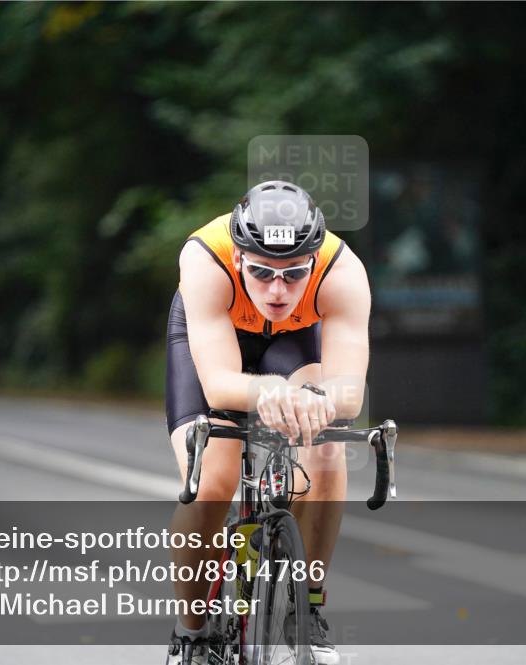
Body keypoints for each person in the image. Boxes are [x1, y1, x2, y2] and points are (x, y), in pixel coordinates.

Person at [164, 181, 371, 665]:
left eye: (294, 274)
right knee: (212, 484)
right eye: (261, 272)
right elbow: (219, 385)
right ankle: (191, 634)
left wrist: (316, 401)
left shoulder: (343, 271)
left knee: (326, 446)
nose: (277, 290)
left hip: (294, 343)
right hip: (216, 341)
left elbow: (349, 392)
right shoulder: (205, 258)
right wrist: (270, 392)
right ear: (239, 258)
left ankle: (307, 611)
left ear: (313, 262)